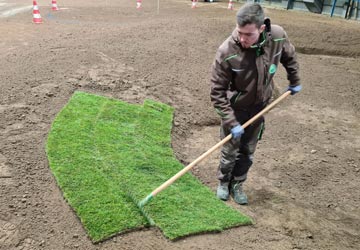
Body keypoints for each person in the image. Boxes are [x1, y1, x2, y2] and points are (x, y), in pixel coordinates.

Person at [210, 3, 301, 205]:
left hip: (260, 107)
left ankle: (237, 184)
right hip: (235, 108)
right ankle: (224, 182)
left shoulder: (277, 36)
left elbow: (290, 57)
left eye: (248, 34)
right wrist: (231, 122)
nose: (242, 39)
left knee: (248, 151)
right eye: (240, 32)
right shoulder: (227, 51)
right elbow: (217, 92)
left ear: (261, 28)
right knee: (229, 150)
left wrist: (294, 81)